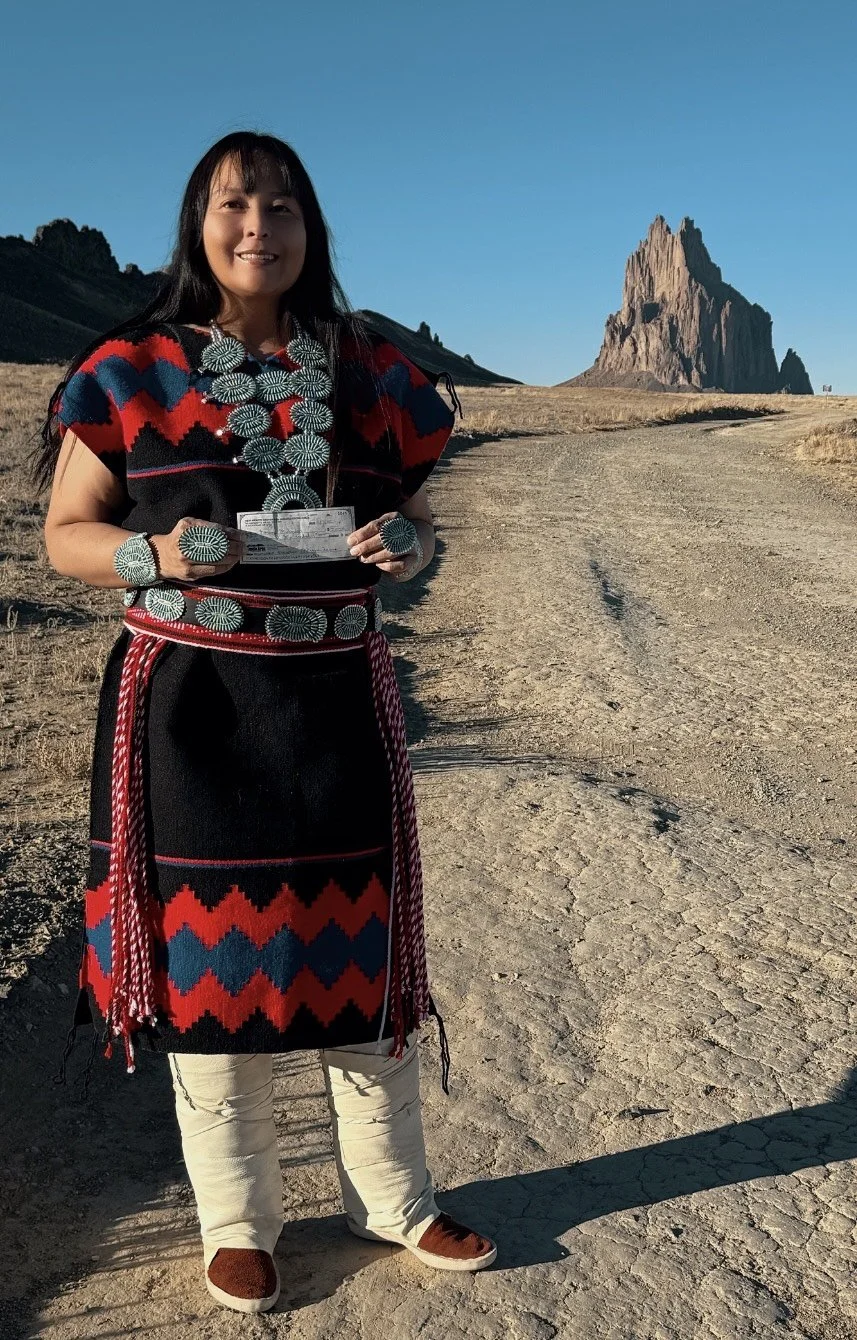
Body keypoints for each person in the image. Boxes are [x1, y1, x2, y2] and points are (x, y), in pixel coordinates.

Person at [36, 130, 496, 1315]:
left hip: (338, 697)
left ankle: (390, 1199)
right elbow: (66, 533)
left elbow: (417, 518)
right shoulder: (125, 370)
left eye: (283, 205)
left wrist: (410, 543)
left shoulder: (373, 373)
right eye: (236, 203)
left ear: (311, 228)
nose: (260, 226)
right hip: (191, 709)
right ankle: (238, 1220)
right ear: (199, 221)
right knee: (208, 966)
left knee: (364, 946)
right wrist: (148, 550)